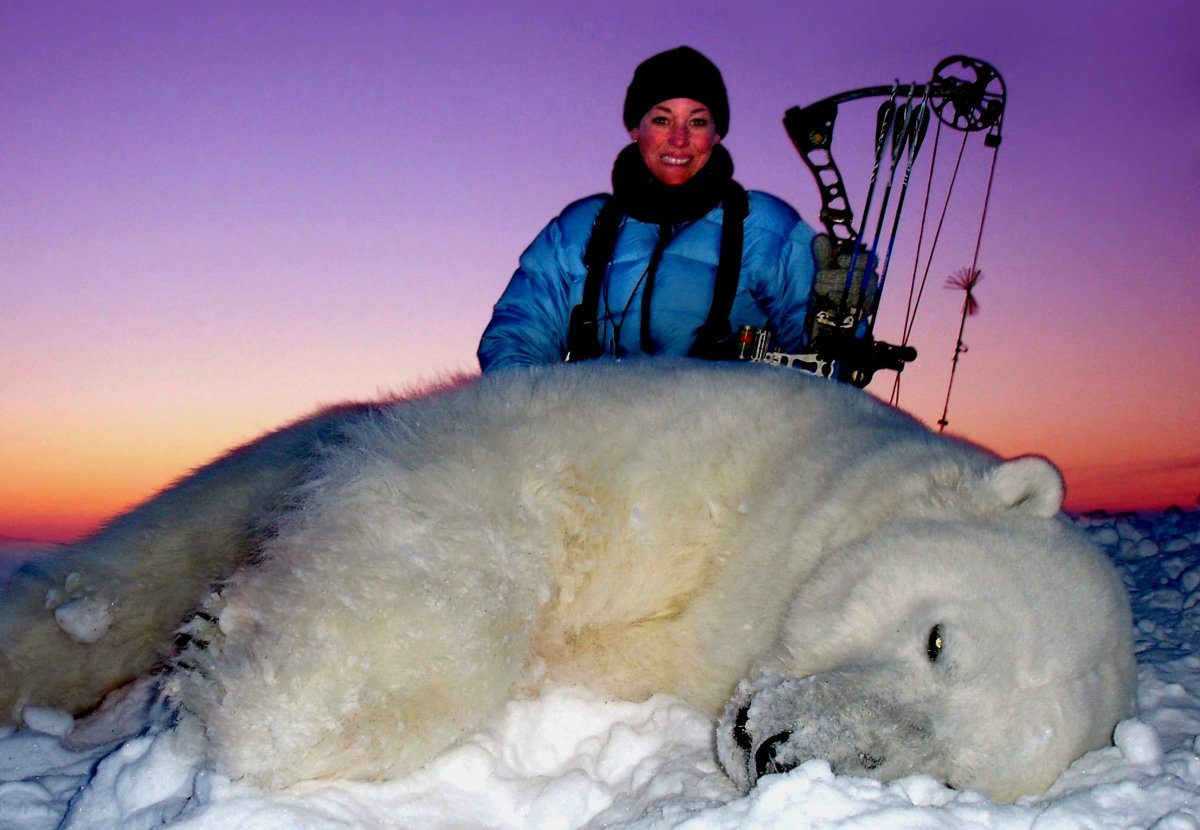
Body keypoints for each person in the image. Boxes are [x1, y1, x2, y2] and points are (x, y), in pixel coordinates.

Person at [478, 46, 821, 372]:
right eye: (661, 120)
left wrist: (837, 316)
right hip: (595, 429)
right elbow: (514, 337)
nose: (679, 139)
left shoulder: (766, 227)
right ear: (634, 129)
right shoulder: (578, 229)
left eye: (698, 122)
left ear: (716, 135)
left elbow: (818, 361)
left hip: (735, 432)